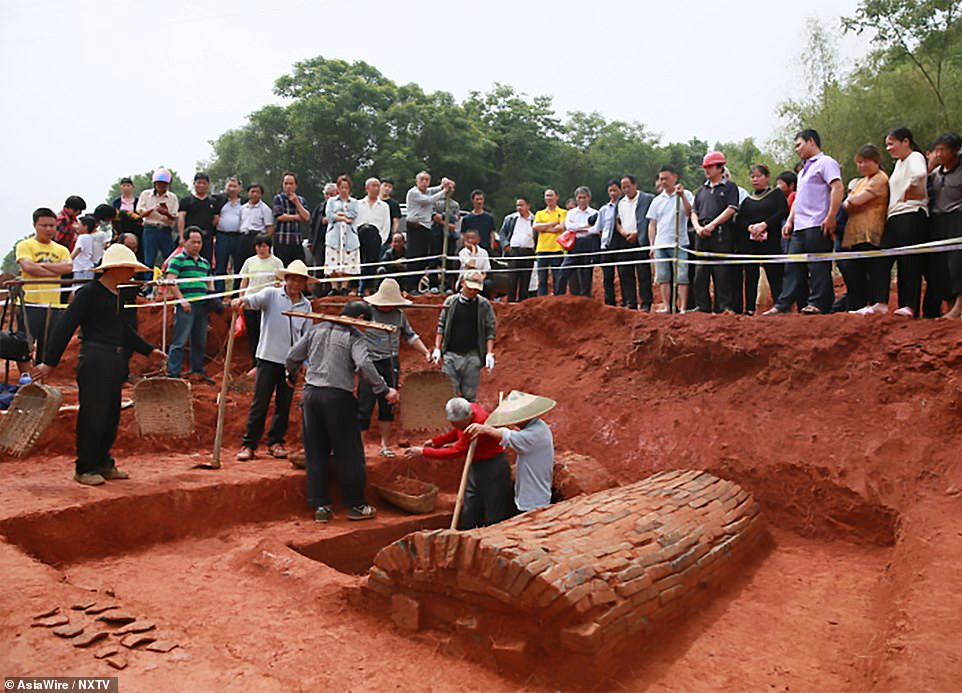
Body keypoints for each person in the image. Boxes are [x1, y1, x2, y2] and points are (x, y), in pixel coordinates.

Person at [32, 244, 165, 485]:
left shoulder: (117, 295)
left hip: (114, 360)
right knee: (94, 414)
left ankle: (103, 461)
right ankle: (85, 467)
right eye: (128, 268)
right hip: (95, 358)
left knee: (111, 414)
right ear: (115, 268)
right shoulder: (89, 293)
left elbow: (123, 329)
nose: (132, 273)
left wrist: (148, 350)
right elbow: (65, 326)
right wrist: (48, 362)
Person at [286, 301, 399, 523]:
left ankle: (321, 506)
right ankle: (355, 505)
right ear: (360, 318)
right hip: (338, 397)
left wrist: (291, 373)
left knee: (315, 452)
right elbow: (364, 364)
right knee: (349, 452)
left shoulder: (316, 329)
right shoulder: (354, 336)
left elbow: (292, 355)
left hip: (311, 396)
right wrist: (384, 389)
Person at [231, 260, 313, 461]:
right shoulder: (271, 295)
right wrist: (240, 301)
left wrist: (304, 362)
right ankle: (249, 444)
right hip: (268, 358)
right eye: (292, 279)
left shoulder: (306, 305)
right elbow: (252, 300)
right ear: (286, 279)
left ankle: (275, 442)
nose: (295, 284)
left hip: (291, 364)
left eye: (300, 281)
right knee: (260, 403)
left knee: (284, 405)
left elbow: (307, 336)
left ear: (304, 284)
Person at [764, 131, 843, 315]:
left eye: (799, 144)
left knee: (817, 266)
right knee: (792, 266)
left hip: (818, 223)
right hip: (800, 226)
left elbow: (837, 187)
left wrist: (831, 216)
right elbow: (799, 198)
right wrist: (790, 221)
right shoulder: (803, 171)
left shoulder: (826, 163)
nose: (796, 149)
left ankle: (819, 303)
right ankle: (783, 305)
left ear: (811, 141)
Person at [404, 397, 513, 529]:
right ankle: (466, 532)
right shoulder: (466, 411)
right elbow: (458, 431)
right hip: (476, 464)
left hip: (493, 466)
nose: (456, 426)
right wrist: (437, 441)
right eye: (453, 423)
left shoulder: (478, 425)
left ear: (469, 416)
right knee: (471, 503)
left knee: (493, 506)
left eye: (459, 424)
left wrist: (423, 451)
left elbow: (456, 451)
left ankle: (492, 535)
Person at [359, 279, 431, 456]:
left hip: (390, 363)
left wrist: (425, 352)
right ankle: (359, 446)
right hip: (369, 362)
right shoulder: (367, 312)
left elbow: (411, 336)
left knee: (388, 404)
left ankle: (384, 445)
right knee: (364, 404)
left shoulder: (399, 316)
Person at [465, 390, 556, 515]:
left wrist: (486, 429)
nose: (514, 422)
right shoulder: (540, 426)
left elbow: (509, 436)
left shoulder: (533, 435)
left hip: (533, 500)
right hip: (532, 493)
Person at [879, 127, 930, 319]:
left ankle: (910, 305)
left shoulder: (915, 157)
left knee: (909, 261)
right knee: (884, 257)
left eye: (892, 143)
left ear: (905, 141)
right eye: (887, 145)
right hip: (894, 216)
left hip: (911, 213)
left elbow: (920, 174)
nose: (889, 148)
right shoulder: (898, 164)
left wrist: (911, 190)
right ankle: (882, 302)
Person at [15, 208, 73, 366]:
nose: (48, 229)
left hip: (53, 305)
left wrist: (39, 265)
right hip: (30, 303)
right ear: (35, 225)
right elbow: (28, 267)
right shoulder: (25, 245)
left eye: (52, 226)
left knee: (48, 345)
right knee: (24, 345)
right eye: (44, 225)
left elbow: (68, 268)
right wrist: (55, 269)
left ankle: (40, 378)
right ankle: (26, 377)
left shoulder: (61, 249)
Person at [839, 145, 890, 315]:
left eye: (865, 162)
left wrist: (852, 201)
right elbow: (847, 204)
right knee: (856, 270)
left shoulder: (880, 178)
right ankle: (859, 305)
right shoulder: (861, 181)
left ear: (876, 161)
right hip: (855, 232)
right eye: (859, 162)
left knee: (875, 267)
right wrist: (851, 201)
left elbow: (855, 201)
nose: (861, 165)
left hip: (872, 229)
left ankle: (879, 302)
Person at [731, 164, 789, 314]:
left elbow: (782, 211)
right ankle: (750, 308)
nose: (755, 180)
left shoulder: (776, 195)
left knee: (774, 275)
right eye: (752, 177)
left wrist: (765, 224)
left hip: (771, 242)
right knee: (751, 276)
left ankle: (780, 306)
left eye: (758, 176)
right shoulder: (747, 201)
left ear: (767, 177)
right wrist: (750, 228)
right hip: (751, 244)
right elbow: (740, 219)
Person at [432, 270, 496, 402]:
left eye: (476, 290)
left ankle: (469, 415)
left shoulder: (484, 305)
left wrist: (489, 353)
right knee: (450, 395)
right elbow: (441, 325)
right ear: (462, 283)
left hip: (472, 356)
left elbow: (490, 330)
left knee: (470, 396)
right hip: (450, 355)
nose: (473, 292)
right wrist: (437, 348)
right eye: (470, 288)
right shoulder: (451, 302)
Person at [690, 152, 739, 313]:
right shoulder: (701, 190)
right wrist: (698, 227)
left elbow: (731, 209)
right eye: (705, 167)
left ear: (720, 167)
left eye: (710, 167)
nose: (706, 170)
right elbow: (694, 212)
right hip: (701, 232)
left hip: (720, 232)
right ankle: (702, 305)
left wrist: (712, 225)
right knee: (700, 271)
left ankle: (723, 306)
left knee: (721, 271)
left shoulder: (730, 187)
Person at [165, 227, 214, 383]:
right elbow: (171, 281)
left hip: (202, 306)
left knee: (199, 341)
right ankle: (173, 374)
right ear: (185, 242)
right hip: (186, 306)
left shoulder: (205, 263)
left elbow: (209, 282)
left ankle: (197, 371)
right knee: (179, 341)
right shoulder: (177, 260)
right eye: (193, 242)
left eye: (199, 242)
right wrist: (181, 300)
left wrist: (212, 299)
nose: (196, 245)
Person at [646, 167, 694, 313]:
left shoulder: (686, 194)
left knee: (682, 276)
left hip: (680, 243)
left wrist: (682, 196)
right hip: (661, 243)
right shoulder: (657, 200)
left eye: (666, 178)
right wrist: (652, 245)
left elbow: (690, 213)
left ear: (675, 177)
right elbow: (652, 224)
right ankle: (667, 306)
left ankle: (683, 307)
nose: (663, 182)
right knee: (663, 277)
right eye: (661, 179)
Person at [927, 132, 962, 319]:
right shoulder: (935, 174)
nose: (939, 154)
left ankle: (959, 306)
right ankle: (949, 306)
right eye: (936, 150)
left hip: (957, 218)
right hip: (938, 220)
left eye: (943, 150)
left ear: (956, 150)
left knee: (957, 263)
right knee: (941, 265)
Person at [238, 234, 285, 370]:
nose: (261, 249)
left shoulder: (277, 262)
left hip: (269, 303)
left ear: (269, 247)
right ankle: (254, 362)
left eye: (264, 246)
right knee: (253, 333)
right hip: (251, 302)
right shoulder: (249, 262)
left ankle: (265, 362)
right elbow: (244, 281)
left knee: (266, 333)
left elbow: (281, 282)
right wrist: (242, 297)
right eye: (259, 246)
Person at [405, 171, 454, 293]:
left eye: (427, 180)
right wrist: (444, 191)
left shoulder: (427, 191)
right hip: (415, 227)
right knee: (414, 257)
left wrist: (444, 184)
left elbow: (435, 190)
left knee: (423, 258)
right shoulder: (413, 192)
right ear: (417, 181)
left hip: (426, 228)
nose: (424, 182)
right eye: (421, 179)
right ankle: (410, 287)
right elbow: (429, 200)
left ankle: (416, 286)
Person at [614, 175, 656, 310]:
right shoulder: (620, 202)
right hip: (625, 240)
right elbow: (617, 221)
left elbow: (651, 220)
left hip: (641, 240)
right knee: (625, 273)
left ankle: (646, 303)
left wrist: (637, 233)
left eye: (628, 186)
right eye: (623, 187)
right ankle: (630, 302)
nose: (626, 190)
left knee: (643, 273)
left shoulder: (647, 199)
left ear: (635, 185)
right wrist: (623, 232)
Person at [324, 174, 361, 295]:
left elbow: (353, 215)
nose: (344, 190)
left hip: (349, 235)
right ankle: (334, 287)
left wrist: (340, 215)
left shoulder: (354, 202)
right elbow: (330, 215)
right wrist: (342, 217)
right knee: (333, 260)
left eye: (346, 187)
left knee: (348, 260)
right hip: (335, 235)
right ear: (338, 188)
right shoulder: (331, 201)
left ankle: (345, 286)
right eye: (341, 187)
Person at [559, 186, 599, 297]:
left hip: (588, 243)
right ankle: (559, 296)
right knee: (563, 271)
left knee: (586, 275)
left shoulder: (595, 213)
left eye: (584, 197)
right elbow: (569, 228)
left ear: (589, 198)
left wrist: (580, 228)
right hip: (574, 243)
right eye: (579, 198)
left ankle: (585, 298)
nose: (581, 200)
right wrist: (586, 226)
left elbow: (595, 229)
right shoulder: (571, 213)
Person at [354, 177, 391, 295]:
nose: (376, 188)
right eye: (373, 186)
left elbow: (386, 225)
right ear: (367, 188)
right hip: (359, 236)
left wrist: (381, 240)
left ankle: (368, 289)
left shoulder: (384, 206)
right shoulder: (357, 204)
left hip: (375, 238)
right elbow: (354, 222)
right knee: (358, 263)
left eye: (378, 186)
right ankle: (354, 288)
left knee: (371, 264)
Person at [137, 168, 179, 269]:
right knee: (149, 260)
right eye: (159, 183)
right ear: (155, 183)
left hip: (165, 229)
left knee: (169, 258)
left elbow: (174, 217)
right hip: (150, 229)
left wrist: (166, 213)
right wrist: (153, 209)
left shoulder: (172, 197)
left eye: (164, 184)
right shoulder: (146, 195)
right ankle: (149, 278)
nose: (161, 186)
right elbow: (140, 213)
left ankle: (169, 277)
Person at [498, 196, 537, 302]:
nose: (519, 208)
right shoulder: (510, 219)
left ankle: (523, 302)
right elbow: (502, 233)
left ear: (528, 206)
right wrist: (506, 245)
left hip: (528, 252)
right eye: (517, 205)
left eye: (521, 205)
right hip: (514, 251)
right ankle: (511, 302)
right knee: (512, 279)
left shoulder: (534, 219)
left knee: (525, 279)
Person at [213, 177, 248, 295]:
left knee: (239, 266)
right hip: (222, 236)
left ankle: (236, 293)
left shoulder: (245, 202)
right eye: (229, 186)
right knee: (220, 266)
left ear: (239, 188)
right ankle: (219, 293)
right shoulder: (219, 200)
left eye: (234, 186)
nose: (232, 189)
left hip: (239, 236)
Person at [178, 172, 219, 261]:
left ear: (208, 185)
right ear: (194, 183)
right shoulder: (186, 200)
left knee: (206, 262)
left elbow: (216, 219)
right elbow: (181, 218)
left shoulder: (213, 202)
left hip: (206, 238)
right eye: (199, 182)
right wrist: (181, 236)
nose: (201, 185)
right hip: (189, 237)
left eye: (204, 183)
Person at [272, 171, 310, 266]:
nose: (288, 186)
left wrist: (296, 202)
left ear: (296, 185)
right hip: (282, 241)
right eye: (286, 184)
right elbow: (280, 216)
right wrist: (297, 217)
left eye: (291, 184)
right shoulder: (278, 198)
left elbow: (306, 217)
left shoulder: (301, 200)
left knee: (299, 268)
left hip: (296, 241)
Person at [533, 187, 567, 296]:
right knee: (542, 279)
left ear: (557, 197)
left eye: (551, 195)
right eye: (547, 195)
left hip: (557, 248)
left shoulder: (563, 212)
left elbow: (561, 227)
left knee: (557, 278)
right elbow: (535, 227)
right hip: (542, 249)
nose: (548, 198)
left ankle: (558, 299)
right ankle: (542, 299)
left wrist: (543, 228)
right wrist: (552, 224)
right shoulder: (539, 213)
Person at [597, 179, 623, 307]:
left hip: (622, 245)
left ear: (621, 191)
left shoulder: (624, 206)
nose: (613, 193)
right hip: (606, 246)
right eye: (610, 190)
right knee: (607, 276)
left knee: (624, 275)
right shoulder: (604, 209)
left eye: (615, 190)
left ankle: (626, 301)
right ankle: (609, 302)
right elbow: (599, 228)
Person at [430, 188, 461, 293]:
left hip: (450, 235)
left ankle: (448, 286)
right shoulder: (435, 202)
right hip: (437, 234)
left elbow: (456, 218)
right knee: (434, 260)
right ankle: (433, 285)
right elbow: (435, 217)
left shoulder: (455, 204)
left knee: (449, 261)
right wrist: (446, 223)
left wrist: (447, 220)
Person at [70, 215, 109, 284]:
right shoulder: (89, 237)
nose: (77, 227)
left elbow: (77, 250)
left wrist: (68, 260)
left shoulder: (82, 237)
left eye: (79, 225)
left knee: (78, 287)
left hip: (82, 268)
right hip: (86, 267)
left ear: (85, 227)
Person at [462, 190, 497, 254]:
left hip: (486, 248)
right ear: (473, 200)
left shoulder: (489, 218)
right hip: (471, 249)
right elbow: (463, 234)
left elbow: (492, 233)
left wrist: (491, 246)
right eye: (477, 199)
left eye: (481, 199)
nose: (479, 202)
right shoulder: (466, 219)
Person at [379, 177, 402, 243]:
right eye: (385, 185)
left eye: (390, 187)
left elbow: (396, 221)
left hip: (387, 237)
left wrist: (394, 234)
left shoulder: (394, 204)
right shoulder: (374, 201)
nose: (387, 188)